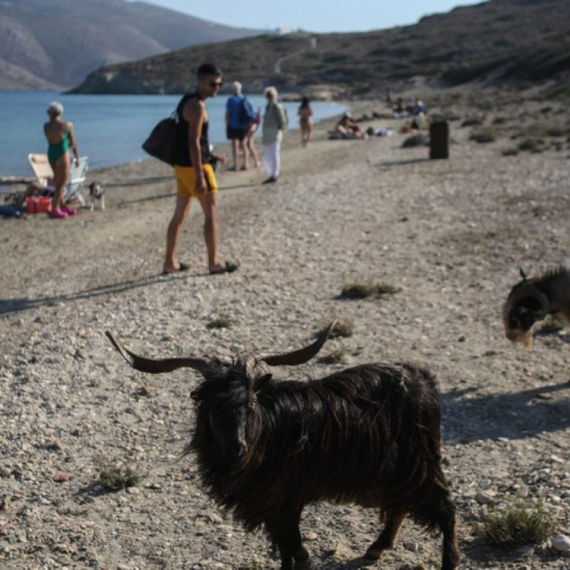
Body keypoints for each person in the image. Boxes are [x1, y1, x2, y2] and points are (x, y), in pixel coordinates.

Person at [164, 63, 238, 276]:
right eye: (212, 84)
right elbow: (193, 142)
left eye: (220, 84)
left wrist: (212, 155)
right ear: (199, 82)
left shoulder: (186, 101)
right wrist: (200, 175)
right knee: (211, 213)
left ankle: (170, 262)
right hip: (196, 168)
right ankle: (214, 263)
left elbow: (193, 140)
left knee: (180, 215)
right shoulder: (198, 106)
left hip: (182, 166)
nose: (217, 88)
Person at [44, 101, 80, 219]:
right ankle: (54, 209)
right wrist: (77, 157)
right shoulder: (67, 125)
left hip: (51, 153)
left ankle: (62, 205)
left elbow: (50, 139)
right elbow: (72, 142)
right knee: (61, 184)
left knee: (57, 181)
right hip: (62, 154)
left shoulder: (46, 126)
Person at [261, 86, 287, 184]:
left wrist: (281, 129)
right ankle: (271, 172)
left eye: (271, 95)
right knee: (269, 154)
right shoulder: (268, 106)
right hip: (268, 133)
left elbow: (282, 120)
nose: (269, 97)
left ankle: (275, 174)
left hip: (275, 133)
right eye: (268, 95)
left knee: (274, 154)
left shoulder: (276, 106)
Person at [225, 81, 252, 171]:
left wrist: (227, 123)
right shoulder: (244, 99)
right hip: (243, 125)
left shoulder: (231, 100)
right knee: (244, 145)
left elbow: (228, 113)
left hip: (233, 124)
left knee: (235, 145)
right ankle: (246, 164)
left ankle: (236, 165)